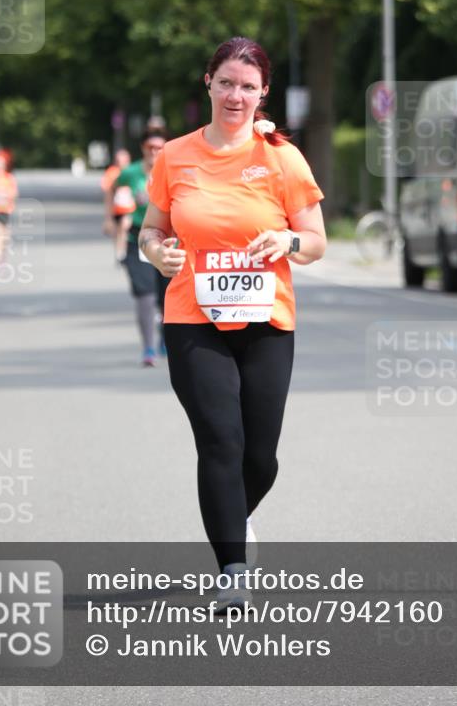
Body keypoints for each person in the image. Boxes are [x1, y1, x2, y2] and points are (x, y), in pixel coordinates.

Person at [138, 37, 326, 610]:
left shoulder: (282, 159)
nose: (236, 95)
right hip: (193, 318)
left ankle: (231, 516)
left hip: (267, 320)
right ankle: (232, 572)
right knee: (221, 441)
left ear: (263, 92)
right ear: (208, 84)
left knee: (260, 456)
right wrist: (156, 253)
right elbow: (151, 229)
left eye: (248, 86)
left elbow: (317, 243)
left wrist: (288, 239)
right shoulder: (175, 155)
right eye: (226, 83)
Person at [115, 129, 170, 367]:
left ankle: (166, 338)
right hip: (137, 238)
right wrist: (111, 217)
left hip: (168, 239)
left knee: (167, 297)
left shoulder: (174, 168)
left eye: (159, 147)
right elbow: (113, 189)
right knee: (145, 296)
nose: (155, 152)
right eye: (150, 148)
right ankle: (148, 347)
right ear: (143, 149)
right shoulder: (131, 172)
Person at [101, 148, 134, 262]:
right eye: (118, 160)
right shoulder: (111, 172)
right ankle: (119, 251)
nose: (121, 163)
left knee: (124, 228)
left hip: (129, 208)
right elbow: (107, 192)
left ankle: (123, 253)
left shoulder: (133, 171)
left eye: (124, 160)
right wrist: (107, 217)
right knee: (117, 232)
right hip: (115, 208)